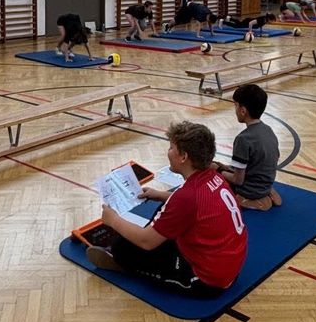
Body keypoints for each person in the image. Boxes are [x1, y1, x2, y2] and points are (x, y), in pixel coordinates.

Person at [86, 121, 247, 297]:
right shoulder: (213, 177)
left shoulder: (186, 197)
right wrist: (160, 195)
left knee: (123, 248)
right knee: (164, 210)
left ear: (183, 156)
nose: (168, 152)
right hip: (229, 264)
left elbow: (146, 242)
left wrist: (113, 220)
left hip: (207, 281)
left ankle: (121, 262)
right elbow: (199, 207)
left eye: (171, 148)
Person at [216, 84, 282, 211]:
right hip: (266, 186)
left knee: (213, 169)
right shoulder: (268, 130)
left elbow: (238, 180)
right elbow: (276, 157)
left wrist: (219, 171)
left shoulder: (243, 139)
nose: (234, 109)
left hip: (249, 191)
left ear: (243, 110)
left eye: (235, 105)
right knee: (222, 166)